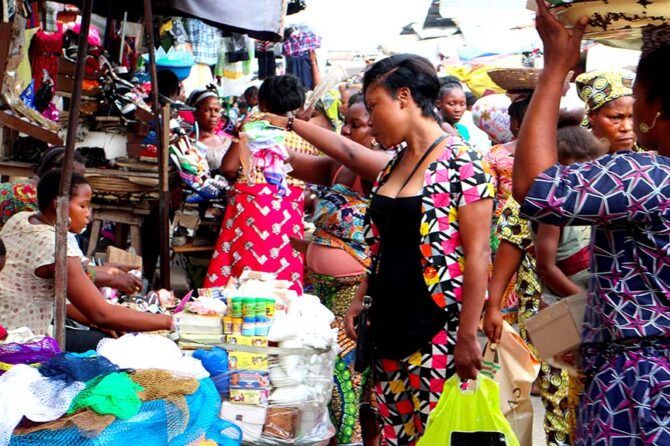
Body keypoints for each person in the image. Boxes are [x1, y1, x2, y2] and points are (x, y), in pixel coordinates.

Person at [513, 5, 670, 444]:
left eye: (636, 98)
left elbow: (535, 188)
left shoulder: (650, 176)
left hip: (641, 389)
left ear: (654, 107)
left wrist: (553, 70)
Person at [341, 54, 493, 445]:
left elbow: (478, 255)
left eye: (375, 106)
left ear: (404, 97)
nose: (372, 119)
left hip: (437, 330)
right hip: (387, 327)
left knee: (436, 435)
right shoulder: (394, 165)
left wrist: (467, 335)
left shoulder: (462, 163)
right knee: (397, 435)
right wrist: (362, 296)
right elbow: (383, 244)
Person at [265, 93, 384, 446]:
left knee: (343, 379)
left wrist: (291, 123)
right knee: (319, 375)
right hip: (320, 288)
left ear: (376, 129)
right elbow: (291, 160)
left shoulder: (381, 165)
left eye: (356, 124)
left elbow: (346, 150)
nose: (346, 129)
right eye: (344, 121)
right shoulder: (339, 168)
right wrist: (260, 134)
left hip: (354, 292)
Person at [0, 169, 172, 352]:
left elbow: (64, 301)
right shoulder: (55, 244)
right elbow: (101, 314)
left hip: (7, 324)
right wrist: (170, 321)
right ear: (59, 206)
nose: (88, 214)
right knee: (112, 343)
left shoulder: (21, 220)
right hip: (19, 340)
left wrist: (95, 320)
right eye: (83, 206)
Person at [209, 74, 320, 293]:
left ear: (263, 102)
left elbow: (229, 168)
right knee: (283, 269)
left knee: (243, 269)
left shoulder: (252, 125)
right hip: (289, 208)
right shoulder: (307, 134)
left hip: (251, 204)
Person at [0, 147, 142, 295]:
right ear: (57, 174)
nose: (79, 183)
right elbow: (62, 270)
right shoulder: (32, 202)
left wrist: (102, 267)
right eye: (75, 178)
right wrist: (109, 277)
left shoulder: (30, 193)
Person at [575, 69, 636, 153]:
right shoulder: (574, 160)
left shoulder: (650, 160)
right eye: (616, 118)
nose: (627, 127)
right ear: (591, 116)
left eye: (633, 117)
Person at [187, 84, 234, 170]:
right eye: (207, 110)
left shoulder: (225, 139)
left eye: (217, 110)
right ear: (195, 114)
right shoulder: (191, 144)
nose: (213, 115)